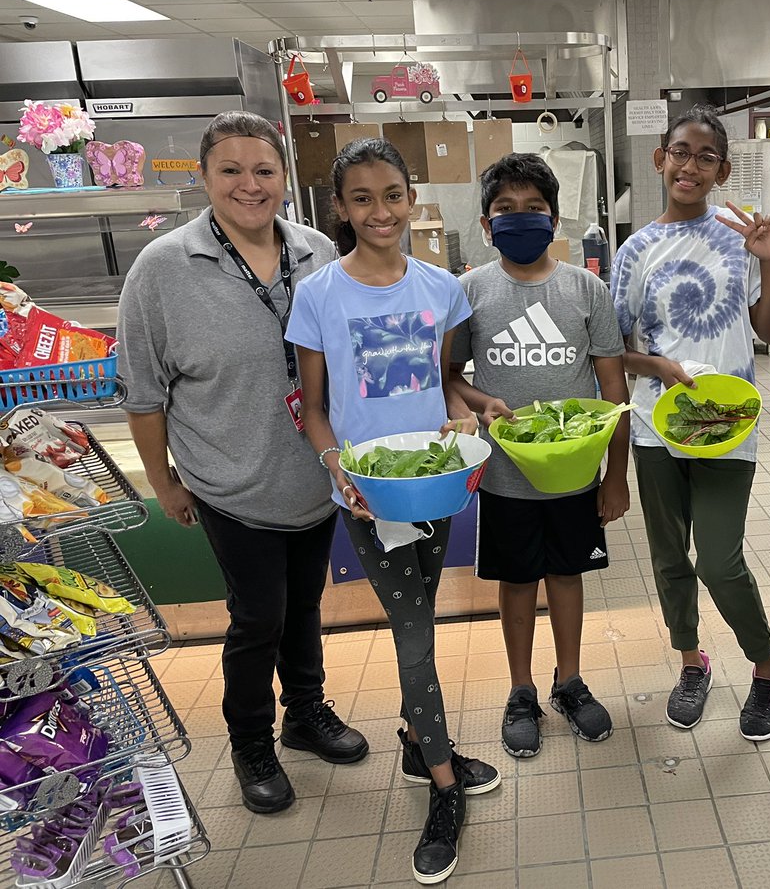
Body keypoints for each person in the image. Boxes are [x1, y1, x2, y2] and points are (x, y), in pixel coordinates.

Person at [117, 111, 368, 816]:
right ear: (203, 178)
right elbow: (142, 391)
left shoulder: (320, 252)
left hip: (317, 479)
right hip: (232, 481)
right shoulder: (163, 269)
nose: (248, 185)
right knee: (257, 616)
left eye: (264, 170)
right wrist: (163, 481)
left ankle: (306, 715)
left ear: (286, 179)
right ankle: (251, 742)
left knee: (305, 606)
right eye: (230, 170)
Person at [285, 137, 500, 886]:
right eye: (363, 199)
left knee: (426, 611)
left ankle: (417, 738)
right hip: (369, 494)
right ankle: (442, 784)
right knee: (413, 632)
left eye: (394, 196)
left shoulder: (443, 288)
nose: (382, 211)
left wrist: (465, 414)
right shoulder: (317, 296)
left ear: (412, 199)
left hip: (434, 484)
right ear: (340, 209)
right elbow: (313, 411)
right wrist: (336, 463)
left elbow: (444, 384)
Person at [611, 105, 770, 741]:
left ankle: (765, 667)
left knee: (719, 560)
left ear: (722, 170)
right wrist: (654, 362)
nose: (690, 165)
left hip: (727, 424)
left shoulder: (739, 240)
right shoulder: (635, 252)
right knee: (667, 557)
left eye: (705, 156)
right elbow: (613, 348)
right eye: (680, 152)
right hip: (658, 427)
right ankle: (691, 662)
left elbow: (769, 332)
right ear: (661, 159)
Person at [446, 153, 630, 758]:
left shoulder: (586, 288)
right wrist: (479, 401)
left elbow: (613, 389)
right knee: (518, 581)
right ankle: (521, 688)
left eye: (533, 210)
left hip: (575, 475)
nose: (520, 219)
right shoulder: (469, 291)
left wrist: (615, 477)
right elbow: (448, 375)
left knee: (568, 575)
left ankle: (569, 680)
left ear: (555, 220)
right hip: (504, 475)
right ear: (485, 221)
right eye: (506, 210)